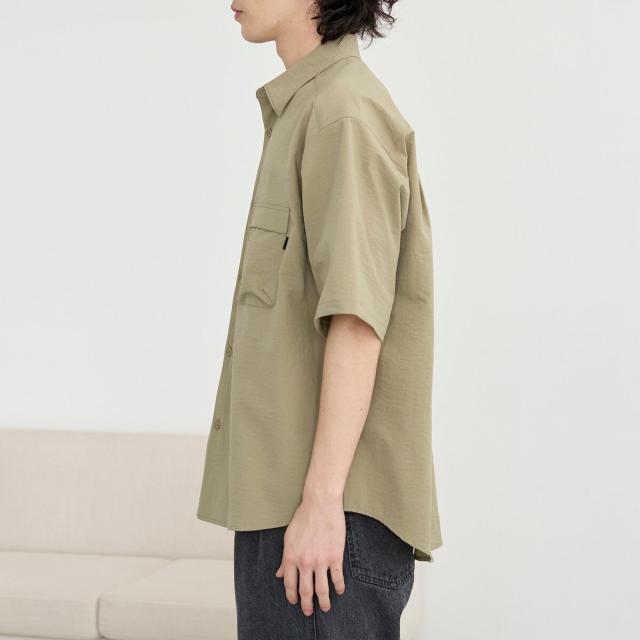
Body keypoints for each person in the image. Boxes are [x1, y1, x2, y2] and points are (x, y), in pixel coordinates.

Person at [197, 1, 443, 637]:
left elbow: (357, 322)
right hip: (293, 505)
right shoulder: (308, 109)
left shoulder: (343, 114)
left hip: (326, 518)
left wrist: (321, 503)